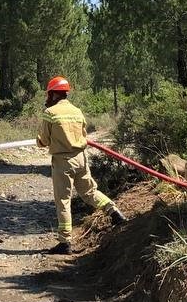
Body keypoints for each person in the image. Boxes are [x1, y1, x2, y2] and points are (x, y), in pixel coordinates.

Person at [36, 76, 127, 254]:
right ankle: (114, 211)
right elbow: (84, 134)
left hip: (63, 161)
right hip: (81, 158)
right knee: (89, 192)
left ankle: (65, 242)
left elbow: (44, 140)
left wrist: (39, 141)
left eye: (49, 94)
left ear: (53, 94)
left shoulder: (50, 113)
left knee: (63, 200)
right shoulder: (77, 111)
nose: (48, 97)